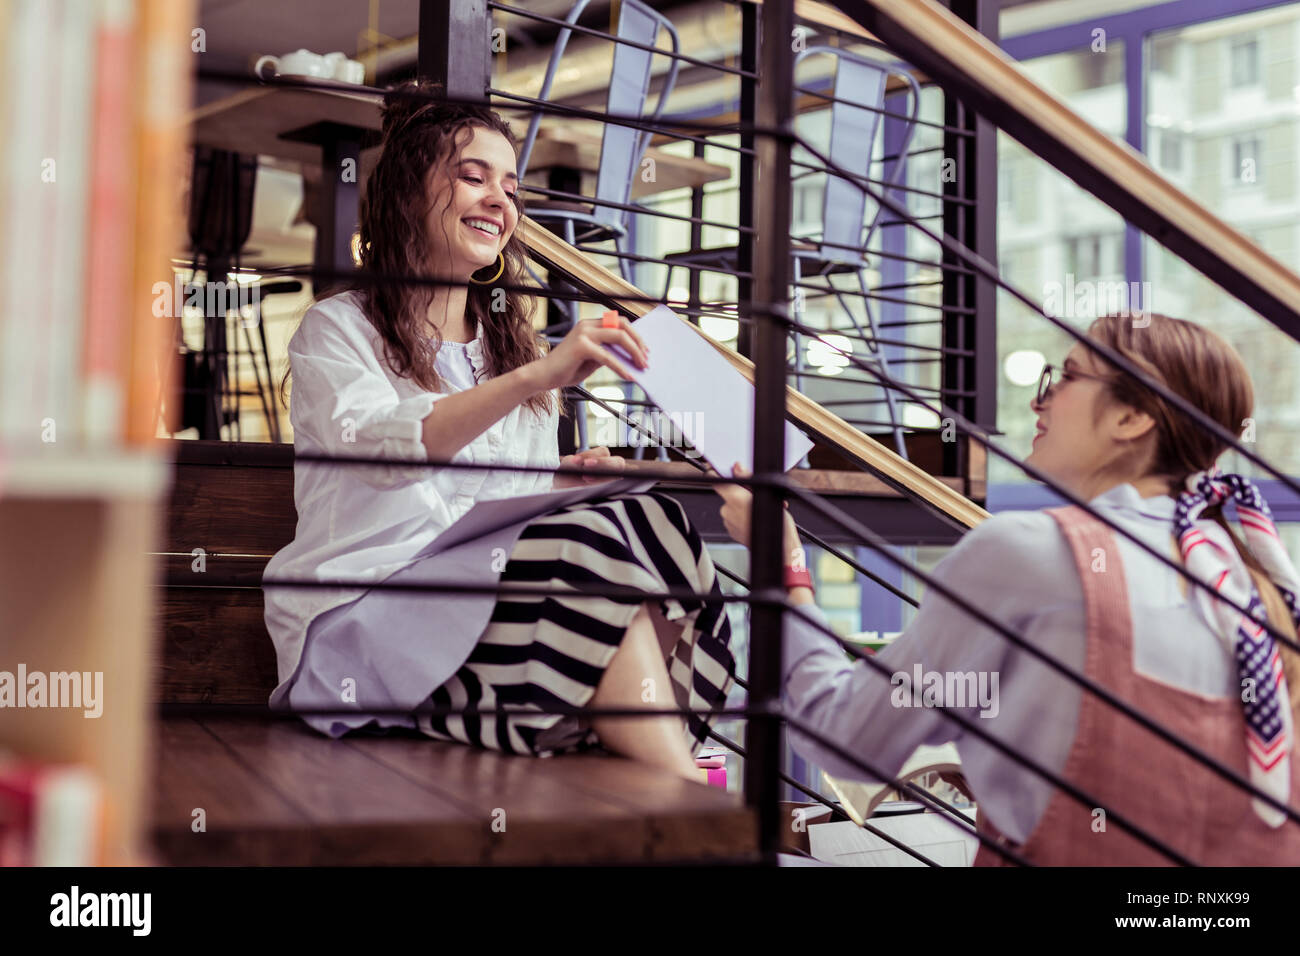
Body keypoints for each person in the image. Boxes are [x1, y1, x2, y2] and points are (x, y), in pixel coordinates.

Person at [262, 79, 737, 782]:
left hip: (492, 602)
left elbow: (501, 508)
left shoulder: (505, 347)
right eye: (472, 177)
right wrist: (538, 378)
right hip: (372, 611)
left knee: (650, 518)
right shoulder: (339, 329)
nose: (498, 201)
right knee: (594, 569)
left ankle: (665, 770)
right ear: (406, 194)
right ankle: (680, 782)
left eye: (511, 187)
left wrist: (561, 484)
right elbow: (383, 452)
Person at [710, 312, 1300, 864]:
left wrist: (783, 566)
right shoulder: (1244, 576)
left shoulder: (1031, 553)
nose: (1037, 399)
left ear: (1132, 418)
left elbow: (845, 735)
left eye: (1065, 378)